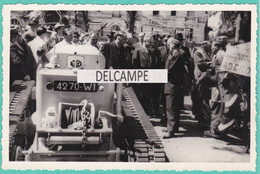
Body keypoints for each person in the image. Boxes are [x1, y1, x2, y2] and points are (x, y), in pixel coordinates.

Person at [163, 37, 185, 138]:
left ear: (172, 45)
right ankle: (173, 127)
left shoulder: (176, 55)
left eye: (169, 44)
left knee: (170, 108)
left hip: (173, 85)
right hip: (172, 84)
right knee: (174, 108)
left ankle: (170, 130)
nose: (168, 46)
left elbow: (170, 70)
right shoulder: (174, 54)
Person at [192, 41, 214, 129]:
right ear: (204, 45)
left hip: (205, 78)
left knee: (204, 99)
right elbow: (201, 65)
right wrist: (212, 63)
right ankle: (201, 120)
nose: (210, 47)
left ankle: (203, 119)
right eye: (209, 46)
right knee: (200, 99)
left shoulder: (206, 52)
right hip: (200, 78)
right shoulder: (198, 52)